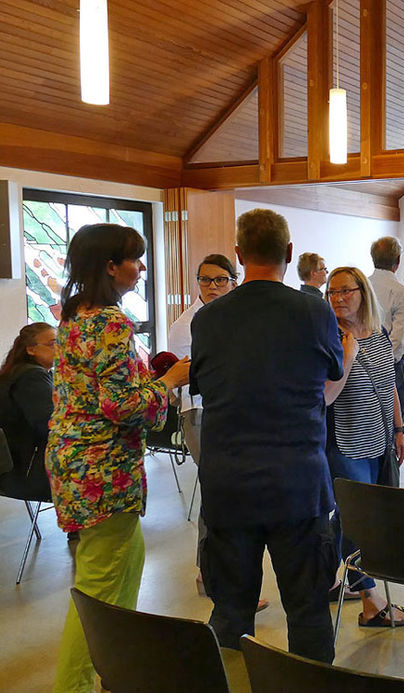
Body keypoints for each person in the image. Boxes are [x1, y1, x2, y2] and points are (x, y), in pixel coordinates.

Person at [190, 208, 343, 661]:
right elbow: (333, 370)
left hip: (228, 482)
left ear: (238, 255)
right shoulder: (313, 311)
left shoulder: (208, 318)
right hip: (297, 481)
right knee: (308, 608)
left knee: (230, 611)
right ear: (289, 253)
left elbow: (203, 383)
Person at [47, 223, 190, 693]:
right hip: (100, 471)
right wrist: (169, 382)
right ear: (111, 266)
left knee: (124, 566)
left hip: (75, 464)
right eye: (136, 258)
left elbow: (100, 390)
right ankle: (75, 686)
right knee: (99, 589)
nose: (143, 267)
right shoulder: (109, 322)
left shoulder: (73, 315)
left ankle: (114, 672)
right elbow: (127, 407)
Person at [167, 254, 271, 608]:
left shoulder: (234, 314)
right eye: (205, 280)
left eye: (220, 280)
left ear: (234, 279)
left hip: (231, 413)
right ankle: (214, 576)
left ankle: (215, 574)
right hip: (201, 414)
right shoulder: (189, 324)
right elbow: (200, 378)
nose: (212, 287)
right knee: (217, 493)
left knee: (224, 494)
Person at [324, 266, 404, 628]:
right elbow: (327, 397)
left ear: (363, 292)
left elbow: (388, 382)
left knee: (351, 517)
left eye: (346, 291)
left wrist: (399, 429)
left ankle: (327, 575)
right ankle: (370, 601)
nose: (339, 298)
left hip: (378, 439)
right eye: (332, 292)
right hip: (346, 444)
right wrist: (347, 355)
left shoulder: (378, 335)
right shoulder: (329, 337)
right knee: (359, 520)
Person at [0, 323, 56, 502]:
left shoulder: (16, 371)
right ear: (31, 349)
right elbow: (49, 425)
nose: (60, 349)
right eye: (53, 344)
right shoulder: (32, 376)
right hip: (29, 471)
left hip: (13, 466)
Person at [368, 237, 404, 420]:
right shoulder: (399, 290)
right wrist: (383, 361)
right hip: (391, 364)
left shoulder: (363, 285)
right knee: (394, 420)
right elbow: (397, 335)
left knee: (372, 417)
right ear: (398, 261)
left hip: (363, 359)